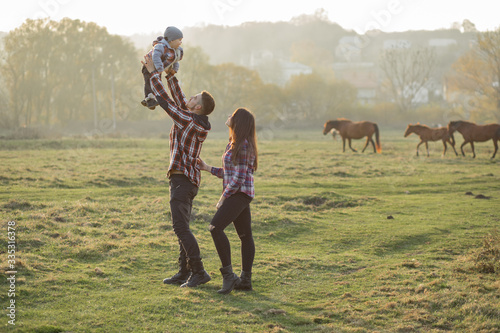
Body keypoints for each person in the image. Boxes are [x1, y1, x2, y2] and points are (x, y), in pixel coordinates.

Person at [141, 52, 215, 288]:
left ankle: (199, 272)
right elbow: (179, 98)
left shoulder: (188, 120)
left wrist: (154, 72)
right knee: (183, 227)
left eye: (194, 98)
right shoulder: (193, 119)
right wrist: (170, 73)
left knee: (180, 228)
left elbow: (165, 100)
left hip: (183, 181)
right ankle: (184, 272)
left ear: (199, 107)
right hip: (186, 181)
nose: (189, 98)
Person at [198, 108, 258, 294]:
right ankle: (245, 281)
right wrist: (207, 167)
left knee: (215, 228)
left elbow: (239, 178)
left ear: (238, 122)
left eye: (232, 115)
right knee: (245, 235)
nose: (229, 117)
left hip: (240, 193)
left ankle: (229, 276)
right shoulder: (233, 143)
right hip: (238, 192)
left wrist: (223, 197)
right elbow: (229, 174)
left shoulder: (244, 145)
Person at [141, 26, 184, 110]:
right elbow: (155, 56)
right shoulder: (160, 46)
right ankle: (149, 99)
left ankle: (154, 98)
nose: (181, 42)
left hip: (157, 69)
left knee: (156, 83)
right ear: (172, 40)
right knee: (149, 82)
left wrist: (175, 69)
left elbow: (176, 59)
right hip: (149, 66)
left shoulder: (175, 50)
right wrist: (160, 68)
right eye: (179, 40)